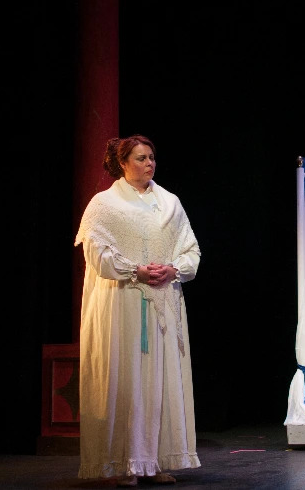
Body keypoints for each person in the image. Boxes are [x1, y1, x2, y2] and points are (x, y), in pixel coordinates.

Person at [75, 134, 201, 487]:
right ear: (123, 163)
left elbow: (191, 250)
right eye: (141, 158)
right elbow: (97, 254)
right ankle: (127, 463)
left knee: (158, 380)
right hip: (124, 303)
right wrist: (136, 270)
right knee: (128, 378)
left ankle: (155, 460)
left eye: (152, 157)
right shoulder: (105, 204)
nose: (149, 164)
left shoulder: (170, 203)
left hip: (162, 303)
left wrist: (173, 269)